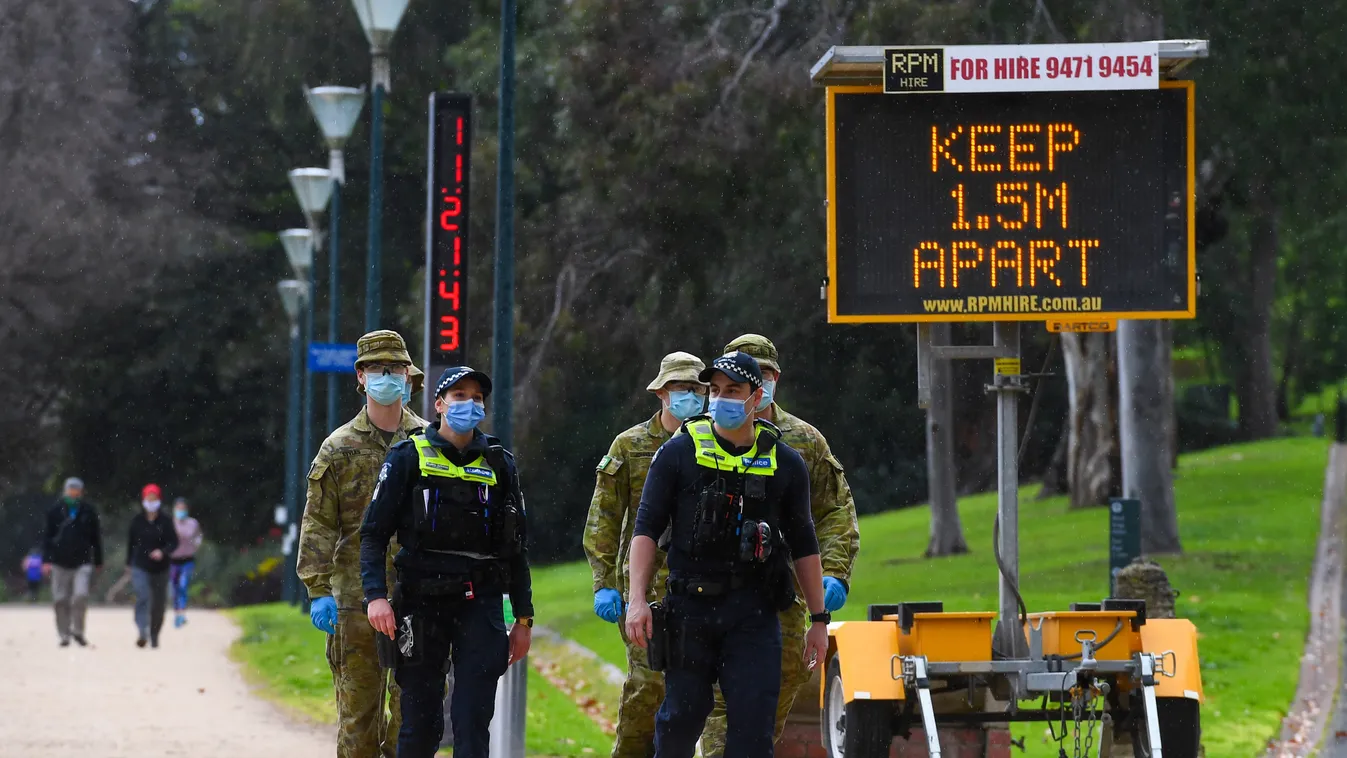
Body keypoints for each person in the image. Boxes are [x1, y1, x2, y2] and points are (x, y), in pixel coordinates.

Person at [626, 351, 830, 758]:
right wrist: (636, 600)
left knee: (753, 733)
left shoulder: (785, 462)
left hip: (754, 614)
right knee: (680, 721)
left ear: (757, 397)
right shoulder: (677, 453)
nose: (721, 399)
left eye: (733, 391)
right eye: (715, 390)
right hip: (690, 609)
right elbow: (645, 529)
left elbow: (805, 543)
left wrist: (819, 619)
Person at [698, 334, 861, 758]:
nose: (757, 380)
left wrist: (834, 575)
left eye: (764, 373)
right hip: (715, 590)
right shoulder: (699, 438)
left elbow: (834, 512)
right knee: (718, 699)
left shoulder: (804, 442)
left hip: (783, 593)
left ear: (773, 380)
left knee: (773, 691)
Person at [360, 366, 535, 758]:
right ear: (438, 405)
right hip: (422, 601)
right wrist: (375, 596)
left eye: (476, 398)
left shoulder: (499, 463)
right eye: (459, 396)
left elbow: (516, 548)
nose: (469, 404)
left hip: (481, 600)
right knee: (420, 722)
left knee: (472, 722)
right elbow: (373, 534)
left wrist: (523, 619)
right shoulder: (408, 456)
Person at [297, 329, 429, 758]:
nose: (387, 376)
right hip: (355, 603)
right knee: (358, 726)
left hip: (420, 599)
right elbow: (318, 523)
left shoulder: (432, 442)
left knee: (414, 723)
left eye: (395, 368)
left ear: (409, 376)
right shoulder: (338, 448)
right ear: (360, 376)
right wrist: (318, 590)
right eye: (377, 369)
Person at [583, 351, 709, 758]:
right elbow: (604, 516)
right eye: (680, 388)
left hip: (701, 587)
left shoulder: (714, 445)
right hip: (643, 589)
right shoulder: (631, 445)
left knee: (695, 690)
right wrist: (604, 584)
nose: (689, 396)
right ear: (661, 393)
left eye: (695, 388)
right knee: (648, 683)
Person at [42, 476, 103, 647]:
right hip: (59, 562)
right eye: (70, 490)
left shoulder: (89, 511)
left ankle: (78, 631)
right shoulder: (54, 511)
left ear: (81, 492)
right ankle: (64, 635)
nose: (73, 493)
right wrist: (46, 561)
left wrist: (99, 560)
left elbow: (96, 538)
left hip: (82, 562)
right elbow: (47, 538)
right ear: (65, 491)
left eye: (77, 490)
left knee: (80, 596)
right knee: (60, 599)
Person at [127, 483, 179, 648]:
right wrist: (128, 563)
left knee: (158, 603)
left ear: (159, 500)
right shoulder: (137, 521)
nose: (151, 501)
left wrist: (163, 552)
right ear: (143, 500)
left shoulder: (166, 521)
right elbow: (131, 544)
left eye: (154, 498)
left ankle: (154, 633)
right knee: (142, 596)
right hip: (140, 566)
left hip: (161, 568)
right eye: (148, 498)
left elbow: (174, 542)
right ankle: (142, 630)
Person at [169, 497, 204, 628]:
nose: (181, 511)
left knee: (183, 585)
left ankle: (182, 613)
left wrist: (196, 545)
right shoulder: (170, 523)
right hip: (173, 560)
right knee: (174, 587)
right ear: (174, 510)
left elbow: (199, 536)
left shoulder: (193, 523)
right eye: (178, 509)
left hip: (187, 560)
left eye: (183, 509)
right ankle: (176, 612)